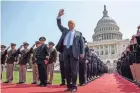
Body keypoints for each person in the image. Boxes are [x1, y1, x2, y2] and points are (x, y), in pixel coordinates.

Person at [56, 9, 84, 92]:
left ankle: (74, 86)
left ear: (74, 25)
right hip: (65, 50)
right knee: (66, 69)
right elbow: (59, 25)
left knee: (74, 70)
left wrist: (82, 52)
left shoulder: (79, 33)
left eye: (71, 24)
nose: (70, 25)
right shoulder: (65, 31)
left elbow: (81, 44)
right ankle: (69, 86)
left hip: (74, 51)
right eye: (69, 24)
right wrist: (59, 16)